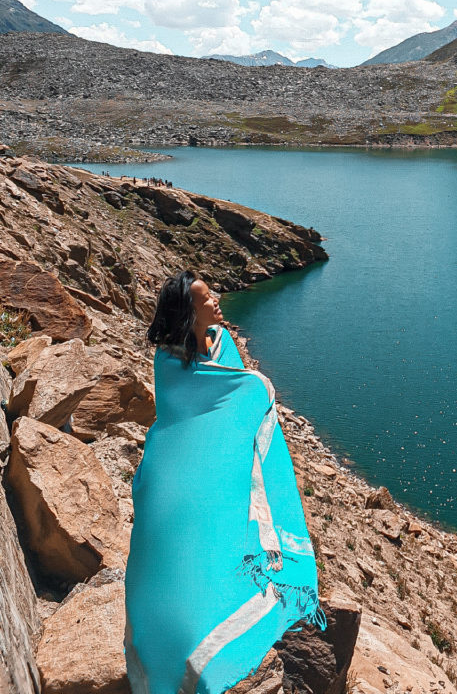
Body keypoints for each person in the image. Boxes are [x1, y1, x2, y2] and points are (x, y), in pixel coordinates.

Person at [124, 270, 325, 694]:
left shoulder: (223, 343)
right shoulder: (168, 361)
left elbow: (234, 401)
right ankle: (167, 651)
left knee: (217, 551)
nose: (216, 300)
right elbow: (186, 415)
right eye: (205, 298)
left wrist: (255, 389)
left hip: (218, 467)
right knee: (170, 565)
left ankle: (204, 652)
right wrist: (257, 386)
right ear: (187, 312)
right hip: (176, 470)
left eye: (213, 293)